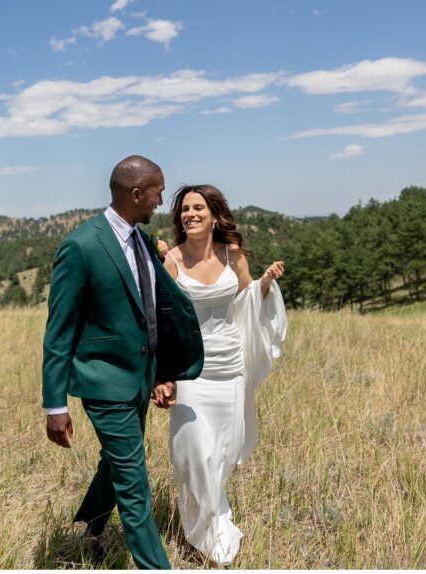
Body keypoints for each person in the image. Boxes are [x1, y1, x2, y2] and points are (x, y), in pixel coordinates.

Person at [41, 155, 205, 570]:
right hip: (103, 383)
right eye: (157, 192)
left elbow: (155, 311)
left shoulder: (142, 241)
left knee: (114, 462)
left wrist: (163, 373)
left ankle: (92, 530)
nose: (162, 200)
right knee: (135, 486)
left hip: (139, 379)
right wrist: (55, 405)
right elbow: (59, 331)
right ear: (136, 194)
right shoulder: (81, 246)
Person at [155, 184, 287, 566]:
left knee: (223, 455)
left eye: (198, 208)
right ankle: (201, 533)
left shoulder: (232, 255)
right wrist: (161, 374)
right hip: (191, 370)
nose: (190, 214)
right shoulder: (172, 261)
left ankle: (213, 520)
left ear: (214, 215)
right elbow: (162, 320)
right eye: (184, 209)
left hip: (230, 368)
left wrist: (264, 284)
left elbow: (247, 300)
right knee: (194, 454)